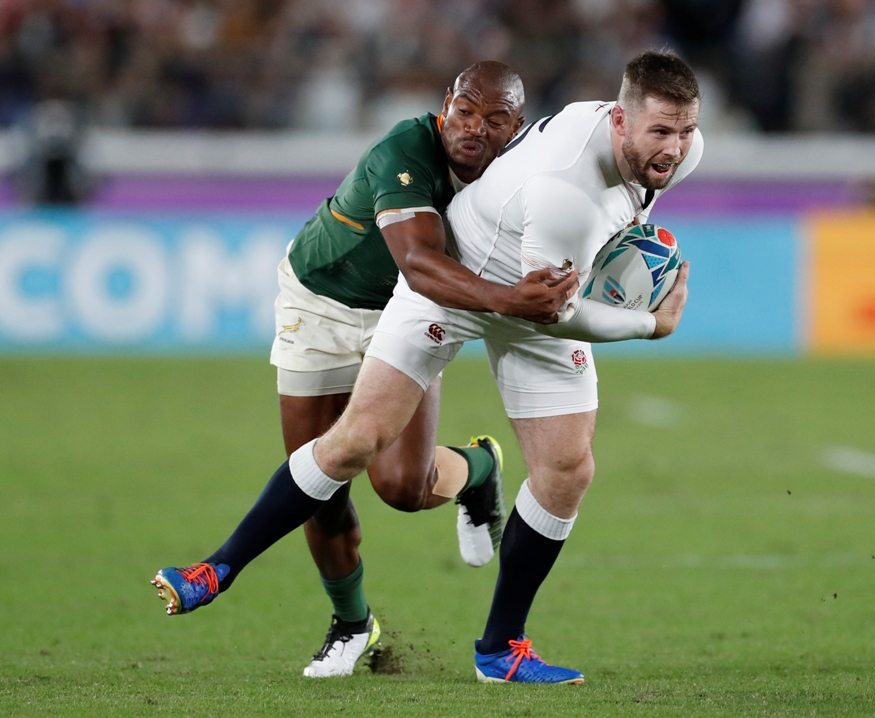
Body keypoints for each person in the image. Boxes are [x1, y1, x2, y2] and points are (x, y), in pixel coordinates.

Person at [153, 49, 702, 684]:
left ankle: (501, 650)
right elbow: (550, 309)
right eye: (660, 131)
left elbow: (552, 299)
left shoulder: (677, 153)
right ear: (618, 120)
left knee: (566, 470)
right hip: (459, 287)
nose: (675, 147)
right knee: (358, 441)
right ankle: (217, 568)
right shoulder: (562, 193)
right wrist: (649, 324)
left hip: (535, 294)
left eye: (685, 131)